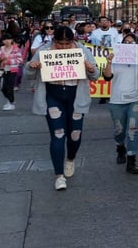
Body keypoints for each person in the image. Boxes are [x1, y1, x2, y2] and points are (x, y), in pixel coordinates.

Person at [26, 27, 99, 190]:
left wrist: (91, 68)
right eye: (60, 43)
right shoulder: (44, 51)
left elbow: (95, 75)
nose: (64, 47)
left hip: (75, 97)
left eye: (67, 43)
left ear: (73, 41)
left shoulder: (82, 51)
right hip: (53, 96)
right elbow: (28, 74)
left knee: (75, 134)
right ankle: (59, 176)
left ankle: (70, 158)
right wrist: (32, 66)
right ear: (54, 41)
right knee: (58, 134)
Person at [103, 33, 138, 174]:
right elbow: (107, 77)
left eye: (132, 43)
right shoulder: (116, 59)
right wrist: (109, 62)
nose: (129, 45)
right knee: (119, 130)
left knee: (133, 130)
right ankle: (120, 146)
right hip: (117, 100)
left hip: (136, 99)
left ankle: (131, 160)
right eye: (126, 42)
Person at [0, 34, 24, 111]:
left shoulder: (16, 49)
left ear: (12, 40)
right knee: (3, 88)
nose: (7, 41)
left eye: (9, 39)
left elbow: (20, 60)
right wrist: (1, 59)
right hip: (3, 70)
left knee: (9, 87)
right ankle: (10, 101)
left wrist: (9, 61)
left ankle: (11, 103)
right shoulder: (2, 48)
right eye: (5, 39)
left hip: (12, 70)